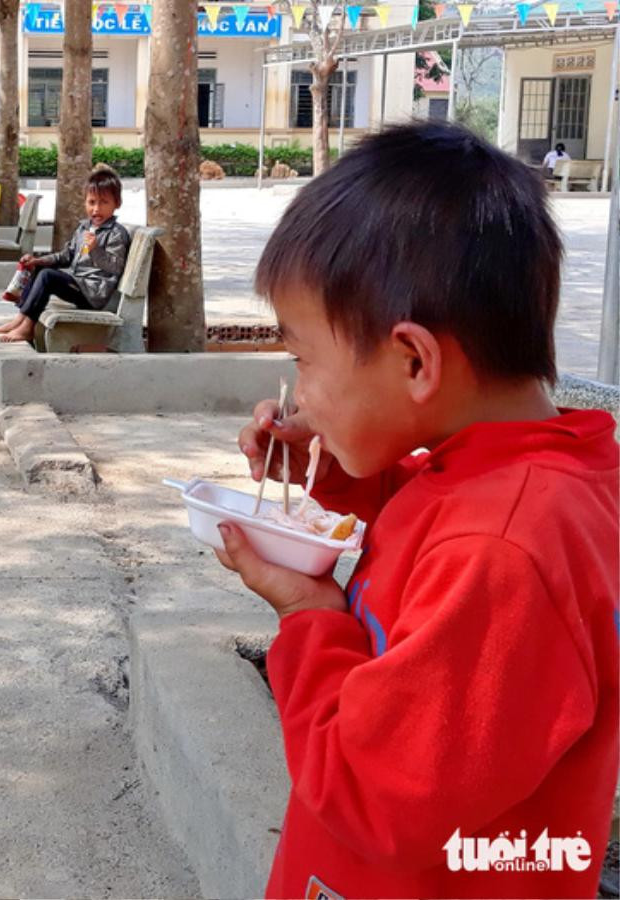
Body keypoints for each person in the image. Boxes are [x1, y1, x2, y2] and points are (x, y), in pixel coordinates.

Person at [217, 122, 617, 897]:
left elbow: (373, 795)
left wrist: (308, 618)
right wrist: (324, 466)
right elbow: (427, 505)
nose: (297, 391)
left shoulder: (504, 554)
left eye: (304, 361)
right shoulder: (512, 479)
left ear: (414, 360)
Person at [0, 165, 130, 344]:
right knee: (41, 268)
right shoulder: (84, 228)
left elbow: (116, 267)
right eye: (92, 202)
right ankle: (20, 318)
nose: (96, 209)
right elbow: (66, 256)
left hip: (93, 293)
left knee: (48, 277)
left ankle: (27, 327)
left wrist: (96, 250)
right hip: (79, 284)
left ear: (117, 204)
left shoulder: (116, 233)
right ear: (85, 202)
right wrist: (38, 260)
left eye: (104, 202)